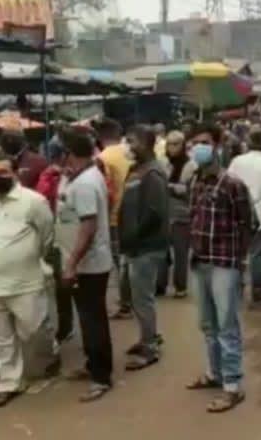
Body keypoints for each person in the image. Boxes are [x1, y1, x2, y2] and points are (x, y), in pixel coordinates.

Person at [0, 155, 57, 407]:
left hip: (25, 280)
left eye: (3, 172)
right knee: (0, 337)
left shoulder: (33, 201)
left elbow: (47, 235)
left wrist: (34, 259)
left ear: (15, 174)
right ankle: (9, 382)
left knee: (34, 330)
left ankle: (45, 362)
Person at [186, 122, 251, 413]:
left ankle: (232, 386)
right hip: (201, 262)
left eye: (203, 142)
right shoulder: (196, 182)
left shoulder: (233, 184)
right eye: (194, 143)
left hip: (225, 263)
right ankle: (215, 374)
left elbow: (247, 224)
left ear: (217, 145)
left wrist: (241, 262)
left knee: (227, 325)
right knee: (208, 324)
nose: (198, 148)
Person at [56, 128, 114, 402]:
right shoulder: (83, 178)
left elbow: (88, 227)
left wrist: (71, 264)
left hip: (89, 264)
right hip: (85, 261)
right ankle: (93, 365)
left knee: (93, 320)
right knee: (89, 317)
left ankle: (101, 376)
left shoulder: (87, 184)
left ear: (70, 153)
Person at [119, 125, 169, 370]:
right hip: (134, 245)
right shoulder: (136, 169)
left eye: (132, 142)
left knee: (142, 298)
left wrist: (134, 238)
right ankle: (146, 337)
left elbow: (155, 213)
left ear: (147, 144)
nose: (128, 147)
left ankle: (150, 347)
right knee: (137, 297)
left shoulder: (153, 173)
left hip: (146, 246)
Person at [228, 126, 261, 309]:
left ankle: (234, 291)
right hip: (258, 214)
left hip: (234, 213)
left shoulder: (236, 161)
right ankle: (257, 295)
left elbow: (226, 186)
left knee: (236, 253)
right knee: (256, 254)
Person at [35, 138, 75, 344]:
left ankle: (66, 325)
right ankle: (63, 325)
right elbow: (42, 198)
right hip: (52, 234)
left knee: (64, 284)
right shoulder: (50, 175)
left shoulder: (78, 175)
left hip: (67, 234)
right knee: (58, 284)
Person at [95, 118, 132, 320]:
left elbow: (105, 191)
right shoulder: (131, 152)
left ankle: (126, 304)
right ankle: (131, 299)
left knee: (120, 262)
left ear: (100, 138)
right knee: (129, 260)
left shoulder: (103, 158)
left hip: (115, 217)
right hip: (133, 214)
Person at [162, 130, 196, 298]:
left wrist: (171, 187)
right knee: (161, 252)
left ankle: (180, 286)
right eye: (169, 143)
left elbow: (192, 190)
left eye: (176, 144)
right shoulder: (163, 164)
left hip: (182, 214)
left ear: (183, 145)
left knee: (181, 253)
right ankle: (160, 285)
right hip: (163, 214)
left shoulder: (191, 165)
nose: (172, 147)